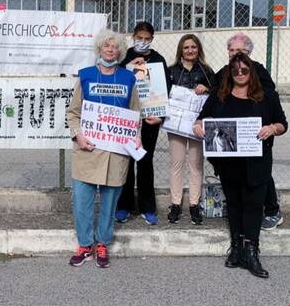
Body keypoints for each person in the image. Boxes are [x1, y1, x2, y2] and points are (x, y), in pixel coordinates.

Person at [194, 53, 287, 278]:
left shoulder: (267, 96)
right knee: (234, 205)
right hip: (229, 164)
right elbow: (201, 118)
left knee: (254, 206)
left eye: (244, 70)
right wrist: (198, 126)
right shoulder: (219, 95)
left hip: (257, 163)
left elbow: (283, 123)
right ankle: (236, 247)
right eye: (235, 71)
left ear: (251, 72)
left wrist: (272, 129)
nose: (240, 74)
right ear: (230, 73)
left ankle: (251, 251)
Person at [67, 29, 141, 268]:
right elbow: (73, 113)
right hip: (88, 149)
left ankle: (103, 243)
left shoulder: (128, 79)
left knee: (109, 202)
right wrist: (78, 135)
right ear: (99, 48)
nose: (110, 50)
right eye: (106, 46)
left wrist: (136, 136)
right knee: (82, 200)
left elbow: (135, 114)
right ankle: (85, 244)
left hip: (115, 152)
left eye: (115, 46)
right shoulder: (86, 76)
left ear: (120, 51)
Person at [213, 33, 284, 230]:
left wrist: (269, 127)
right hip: (232, 133)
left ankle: (272, 210)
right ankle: (241, 209)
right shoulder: (224, 71)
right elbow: (214, 92)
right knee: (237, 173)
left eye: (241, 51)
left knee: (260, 172)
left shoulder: (258, 70)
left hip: (255, 132)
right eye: (233, 50)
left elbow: (270, 96)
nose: (236, 54)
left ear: (249, 53)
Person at [115, 21, 169, 225]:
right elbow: (116, 82)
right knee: (125, 161)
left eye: (147, 39)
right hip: (126, 118)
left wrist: (160, 117)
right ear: (133, 37)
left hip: (149, 119)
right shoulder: (124, 57)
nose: (143, 42)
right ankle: (123, 206)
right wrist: (130, 66)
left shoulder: (158, 60)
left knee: (145, 162)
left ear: (152, 39)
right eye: (140, 38)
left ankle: (148, 207)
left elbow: (166, 90)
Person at [166, 34, 215, 225]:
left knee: (196, 164)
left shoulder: (207, 71)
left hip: (197, 125)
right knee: (176, 163)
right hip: (176, 125)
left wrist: (207, 88)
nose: (190, 50)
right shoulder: (170, 71)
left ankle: (194, 204)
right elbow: (161, 93)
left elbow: (216, 94)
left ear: (198, 49)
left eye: (193, 47)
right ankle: (175, 204)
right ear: (181, 49)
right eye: (186, 47)